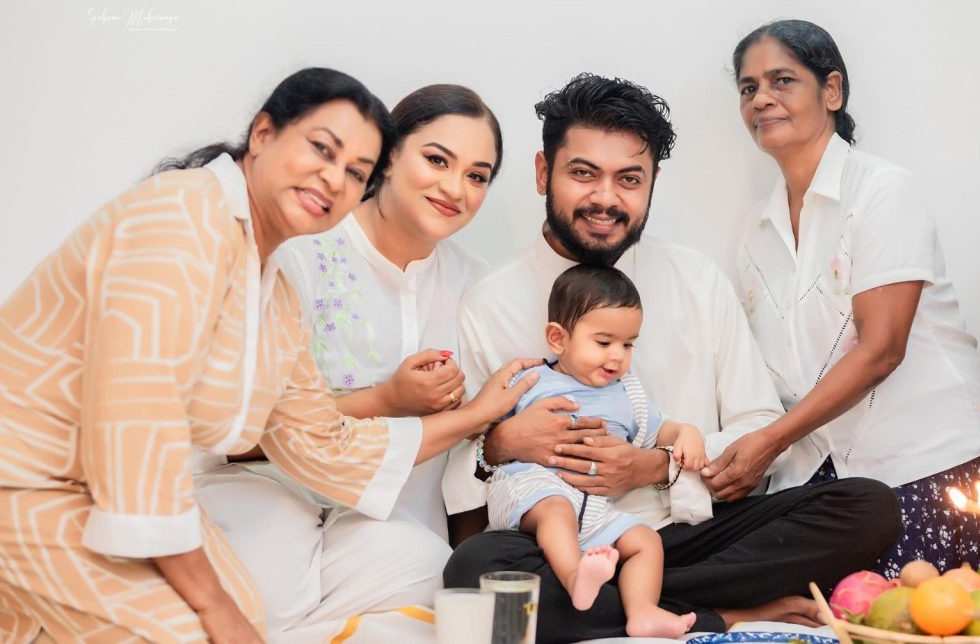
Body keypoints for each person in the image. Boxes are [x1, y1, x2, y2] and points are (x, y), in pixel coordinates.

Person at [0, 67, 537, 643]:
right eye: (321, 149)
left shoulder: (273, 285)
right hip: (31, 486)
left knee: (262, 615)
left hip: (115, 503)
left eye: (355, 171)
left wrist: (478, 416)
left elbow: (317, 440)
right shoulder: (184, 216)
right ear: (262, 134)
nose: (334, 179)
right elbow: (138, 430)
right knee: (205, 627)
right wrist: (212, 604)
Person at [442, 72, 902, 644]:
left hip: (687, 533)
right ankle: (719, 614)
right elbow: (460, 471)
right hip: (559, 541)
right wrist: (498, 444)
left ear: (652, 182)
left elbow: (759, 429)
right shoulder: (489, 302)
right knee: (475, 569)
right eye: (583, 173)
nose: (605, 198)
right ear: (543, 173)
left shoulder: (696, 280)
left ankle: (631, 600)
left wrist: (656, 467)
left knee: (868, 507)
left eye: (629, 179)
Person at [195, 84, 505, 642]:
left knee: (436, 578)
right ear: (388, 156)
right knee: (269, 592)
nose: (455, 188)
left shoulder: (479, 286)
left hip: (376, 531)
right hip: (260, 495)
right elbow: (235, 439)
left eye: (477, 176)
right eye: (437, 160)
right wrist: (389, 401)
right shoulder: (300, 252)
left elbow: (481, 446)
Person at [720, 19, 980, 577]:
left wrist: (769, 442)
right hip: (827, 485)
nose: (761, 99)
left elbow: (882, 349)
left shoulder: (881, 191)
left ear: (832, 90)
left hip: (929, 466)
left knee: (929, 618)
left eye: (782, 80)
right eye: (748, 87)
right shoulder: (754, 231)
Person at [487, 264, 708, 638]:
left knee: (646, 541)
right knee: (556, 507)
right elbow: (484, 431)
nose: (618, 356)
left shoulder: (629, 394)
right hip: (531, 489)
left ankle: (643, 611)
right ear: (558, 339)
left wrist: (689, 432)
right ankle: (575, 578)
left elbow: (662, 430)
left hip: (593, 509)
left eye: (628, 344)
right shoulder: (531, 380)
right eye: (604, 343)